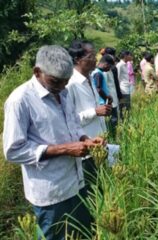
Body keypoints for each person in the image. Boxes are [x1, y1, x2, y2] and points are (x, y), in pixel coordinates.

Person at [3, 45, 105, 239]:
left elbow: (73, 125)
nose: (62, 87)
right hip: (51, 193)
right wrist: (66, 149)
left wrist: (86, 139)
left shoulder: (63, 92)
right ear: (37, 72)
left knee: (84, 233)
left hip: (76, 183)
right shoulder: (20, 100)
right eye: (56, 81)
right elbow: (13, 151)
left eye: (66, 82)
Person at [67, 40, 110, 193]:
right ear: (78, 59)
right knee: (92, 190)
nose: (95, 59)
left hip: (99, 142)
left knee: (103, 186)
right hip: (86, 148)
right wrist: (94, 112)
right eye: (91, 56)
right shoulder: (70, 84)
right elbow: (68, 120)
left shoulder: (90, 79)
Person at [103, 48, 121, 128]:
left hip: (113, 95)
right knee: (113, 118)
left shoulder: (110, 69)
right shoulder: (105, 72)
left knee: (115, 116)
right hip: (110, 97)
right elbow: (105, 86)